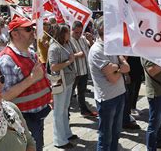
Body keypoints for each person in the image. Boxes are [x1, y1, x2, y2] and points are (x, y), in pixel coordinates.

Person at [0, 17, 51, 151]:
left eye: (32, 28)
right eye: (28, 29)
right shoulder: (6, 60)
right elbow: (3, 95)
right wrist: (32, 78)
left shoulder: (31, 53)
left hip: (37, 115)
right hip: (23, 120)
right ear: (15, 34)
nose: (33, 31)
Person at [88, 17, 130, 151]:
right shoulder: (96, 50)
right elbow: (112, 78)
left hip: (119, 94)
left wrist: (116, 67)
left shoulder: (112, 45)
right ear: (103, 30)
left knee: (116, 133)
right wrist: (120, 67)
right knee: (105, 137)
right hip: (107, 99)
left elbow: (127, 67)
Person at [48, 24, 78, 149]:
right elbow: (53, 67)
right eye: (67, 32)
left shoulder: (67, 44)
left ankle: (66, 133)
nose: (69, 34)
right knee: (59, 111)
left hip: (69, 80)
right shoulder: (54, 48)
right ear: (61, 34)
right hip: (59, 81)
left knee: (65, 108)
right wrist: (69, 62)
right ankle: (59, 139)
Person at [141, 58, 161, 151]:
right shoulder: (146, 52)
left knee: (160, 120)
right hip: (156, 92)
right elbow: (151, 71)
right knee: (154, 123)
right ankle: (151, 148)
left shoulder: (155, 49)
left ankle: (158, 142)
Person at [69, 21, 97, 118]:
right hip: (74, 72)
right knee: (69, 95)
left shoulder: (83, 38)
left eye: (80, 32)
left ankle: (84, 110)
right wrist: (77, 55)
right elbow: (66, 56)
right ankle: (65, 114)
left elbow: (93, 48)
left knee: (81, 92)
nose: (78, 34)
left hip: (84, 70)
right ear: (71, 30)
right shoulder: (68, 40)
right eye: (76, 32)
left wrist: (91, 40)